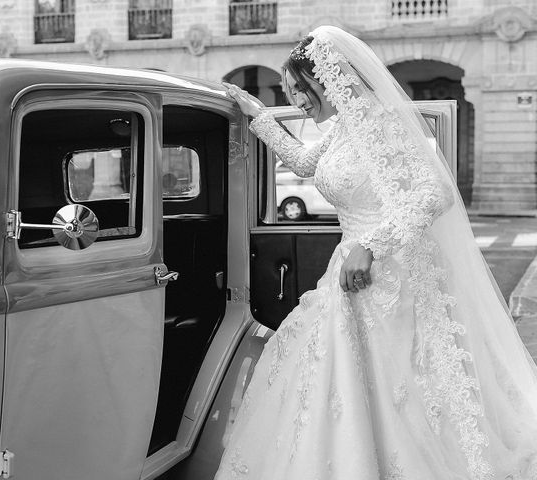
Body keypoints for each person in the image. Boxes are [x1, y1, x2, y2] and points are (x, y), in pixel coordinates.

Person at [216, 26, 537, 480]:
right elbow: (307, 164)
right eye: (290, 93)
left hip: (389, 269)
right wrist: (259, 115)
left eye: (301, 91)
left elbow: (433, 192)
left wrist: (371, 246)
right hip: (350, 266)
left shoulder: (378, 120)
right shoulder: (347, 123)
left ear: (327, 79)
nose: (299, 103)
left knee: (398, 383)